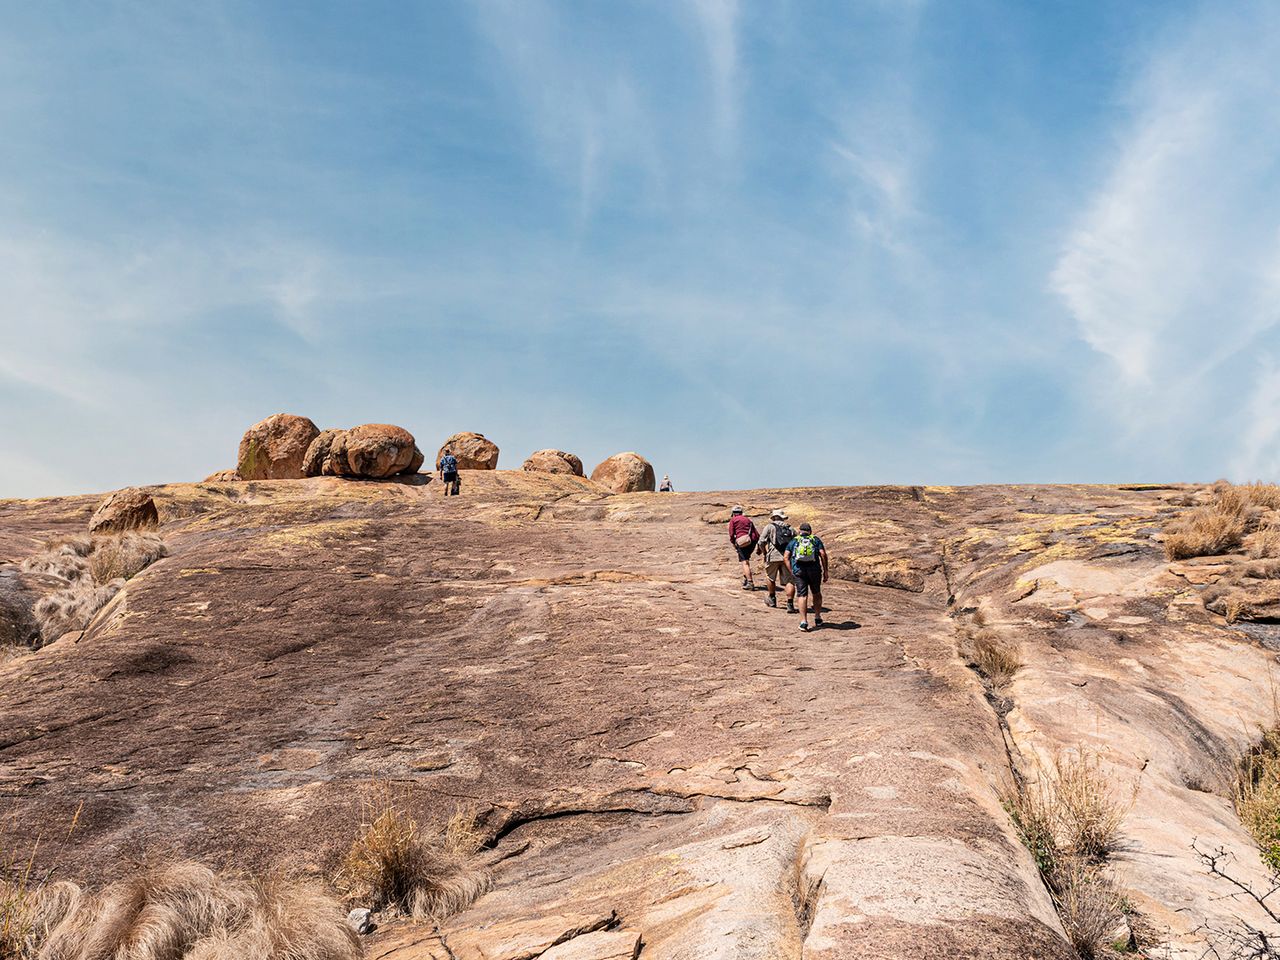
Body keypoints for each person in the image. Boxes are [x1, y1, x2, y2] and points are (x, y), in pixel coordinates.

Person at [784, 522, 828, 631]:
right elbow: (822, 554)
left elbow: (786, 557)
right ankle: (817, 618)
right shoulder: (815, 540)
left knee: (802, 595)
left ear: (800, 531)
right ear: (810, 531)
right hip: (814, 570)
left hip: (799, 571)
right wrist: (826, 570)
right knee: (816, 593)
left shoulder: (794, 540)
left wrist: (792, 571)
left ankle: (803, 621)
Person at [757, 509, 796, 612]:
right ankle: (790, 604)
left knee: (770, 577)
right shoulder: (791, 528)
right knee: (789, 580)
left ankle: (772, 599)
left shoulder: (769, 527)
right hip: (787, 557)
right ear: (783, 518)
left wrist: (764, 553)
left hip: (772, 556)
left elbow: (761, 541)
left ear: (774, 517)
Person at [727, 505, 759, 590]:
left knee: (745, 562)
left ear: (733, 513)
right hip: (752, 541)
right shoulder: (748, 519)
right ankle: (746, 578)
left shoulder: (733, 520)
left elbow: (731, 533)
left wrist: (733, 543)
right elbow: (756, 533)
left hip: (742, 542)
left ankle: (750, 582)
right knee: (746, 560)